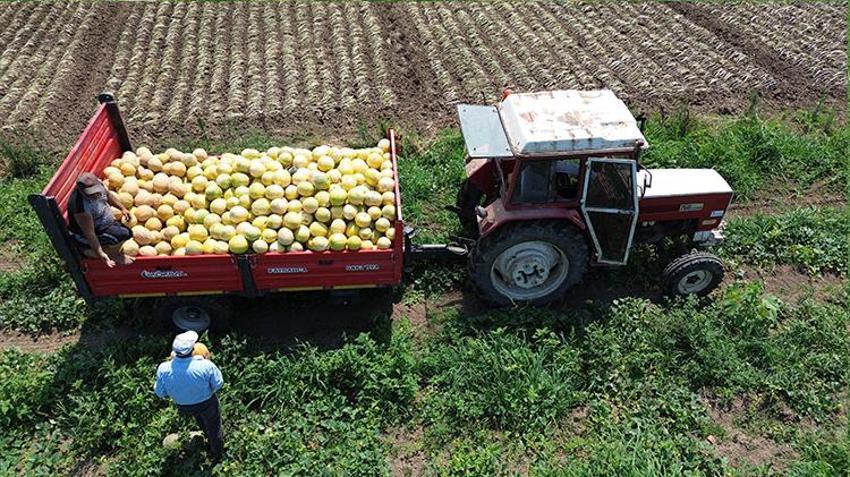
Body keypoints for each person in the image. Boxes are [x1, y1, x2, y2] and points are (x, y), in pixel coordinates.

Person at [154, 331, 225, 463]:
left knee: (198, 416)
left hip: (183, 406)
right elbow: (219, 384)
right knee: (214, 426)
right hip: (206, 403)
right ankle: (217, 454)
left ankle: (204, 431)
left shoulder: (163, 369)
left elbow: (160, 392)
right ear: (193, 349)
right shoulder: (206, 366)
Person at [68, 172, 135, 267]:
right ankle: (94, 252)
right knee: (122, 234)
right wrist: (101, 254)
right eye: (90, 194)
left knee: (126, 232)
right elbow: (90, 233)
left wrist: (122, 208)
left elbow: (108, 196)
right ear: (81, 190)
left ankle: (106, 248)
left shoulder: (99, 184)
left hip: (104, 223)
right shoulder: (80, 207)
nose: (95, 195)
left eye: (96, 191)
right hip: (89, 233)